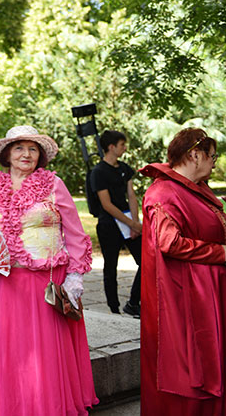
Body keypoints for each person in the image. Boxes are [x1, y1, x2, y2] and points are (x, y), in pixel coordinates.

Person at [140, 128, 226, 415]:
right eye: (212, 156)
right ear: (195, 155)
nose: (214, 162)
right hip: (192, 298)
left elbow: (209, 225)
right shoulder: (163, 192)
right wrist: (222, 252)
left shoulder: (197, 187)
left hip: (215, 293)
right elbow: (169, 242)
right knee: (200, 367)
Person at [0, 125, 98, 416]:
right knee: (10, 350)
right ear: (7, 154)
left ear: (40, 155)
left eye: (33, 149)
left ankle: (46, 407)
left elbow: (76, 233)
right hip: (4, 284)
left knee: (44, 353)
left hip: (45, 283)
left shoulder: (54, 185)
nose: (26, 154)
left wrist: (75, 275)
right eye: (19, 148)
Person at [89, 129, 142, 316]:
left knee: (146, 262)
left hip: (128, 222)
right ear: (111, 147)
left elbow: (131, 196)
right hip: (109, 225)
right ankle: (114, 308)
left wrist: (135, 222)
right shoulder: (98, 172)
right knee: (110, 267)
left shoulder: (125, 168)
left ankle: (134, 301)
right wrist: (131, 223)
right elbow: (106, 204)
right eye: (122, 145)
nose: (125, 148)